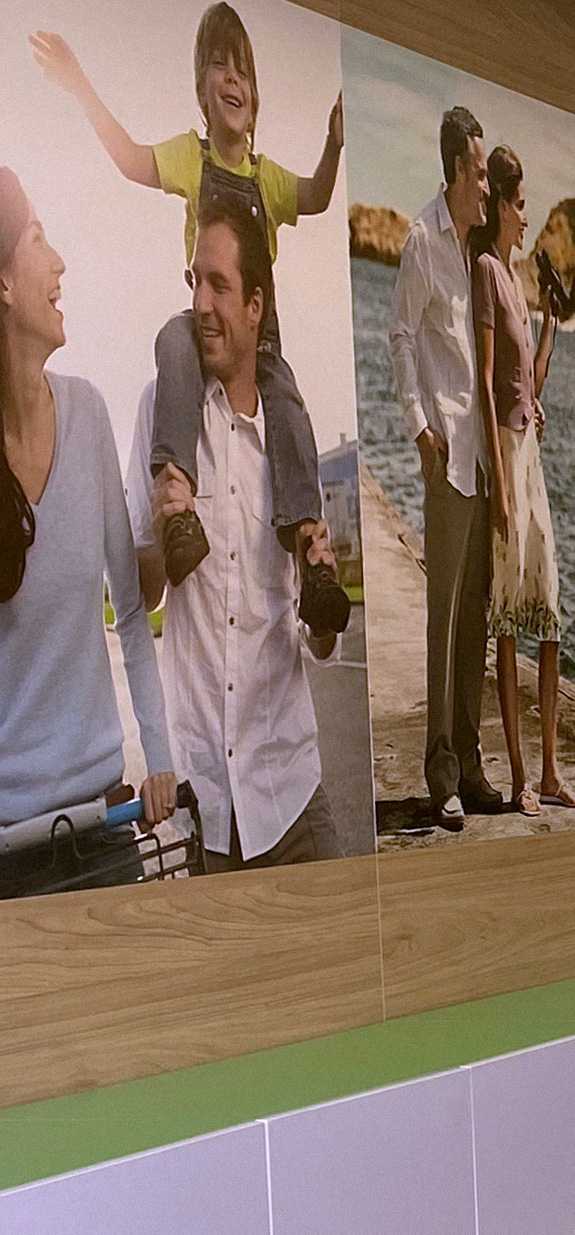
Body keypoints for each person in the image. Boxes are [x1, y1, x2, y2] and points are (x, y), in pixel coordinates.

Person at [28, 8, 348, 636]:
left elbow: (315, 195)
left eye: (242, 72)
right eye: (219, 67)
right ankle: (177, 509)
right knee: (171, 340)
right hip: (202, 329)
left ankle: (310, 552)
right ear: (202, 89)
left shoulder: (267, 178)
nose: (232, 80)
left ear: (255, 98)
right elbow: (128, 158)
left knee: (289, 406)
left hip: (258, 341)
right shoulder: (190, 158)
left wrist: (334, 144)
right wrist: (78, 83)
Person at [137, 200, 343, 871]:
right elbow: (143, 597)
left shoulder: (289, 440)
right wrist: (161, 535)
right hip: (207, 808)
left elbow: (318, 644)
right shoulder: (160, 412)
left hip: (291, 793)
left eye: (219, 286)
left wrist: (323, 608)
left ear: (256, 305)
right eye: (194, 281)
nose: (200, 303)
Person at [0, 167, 177, 899]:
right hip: (9, 849)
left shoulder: (89, 413)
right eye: (38, 240)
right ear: (4, 283)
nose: (60, 262)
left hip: (107, 823)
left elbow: (130, 611)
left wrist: (159, 756)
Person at [389, 103, 513, 830]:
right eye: (479, 172)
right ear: (457, 171)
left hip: (480, 461)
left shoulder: (475, 253)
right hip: (447, 458)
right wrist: (419, 428)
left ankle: (469, 763)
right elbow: (401, 337)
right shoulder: (421, 242)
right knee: (443, 622)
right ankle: (441, 777)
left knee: (474, 625)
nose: (486, 185)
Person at [470, 145, 572, 816]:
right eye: (523, 204)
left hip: (529, 451)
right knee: (507, 619)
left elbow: (524, 382)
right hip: (507, 457)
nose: (528, 216)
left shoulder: (514, 277)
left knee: (550, 613)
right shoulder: (485, 269)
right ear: (504, 206)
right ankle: (517, 778)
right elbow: (485, 381)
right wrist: (501, 488)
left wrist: (552, 328)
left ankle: (552, 772)